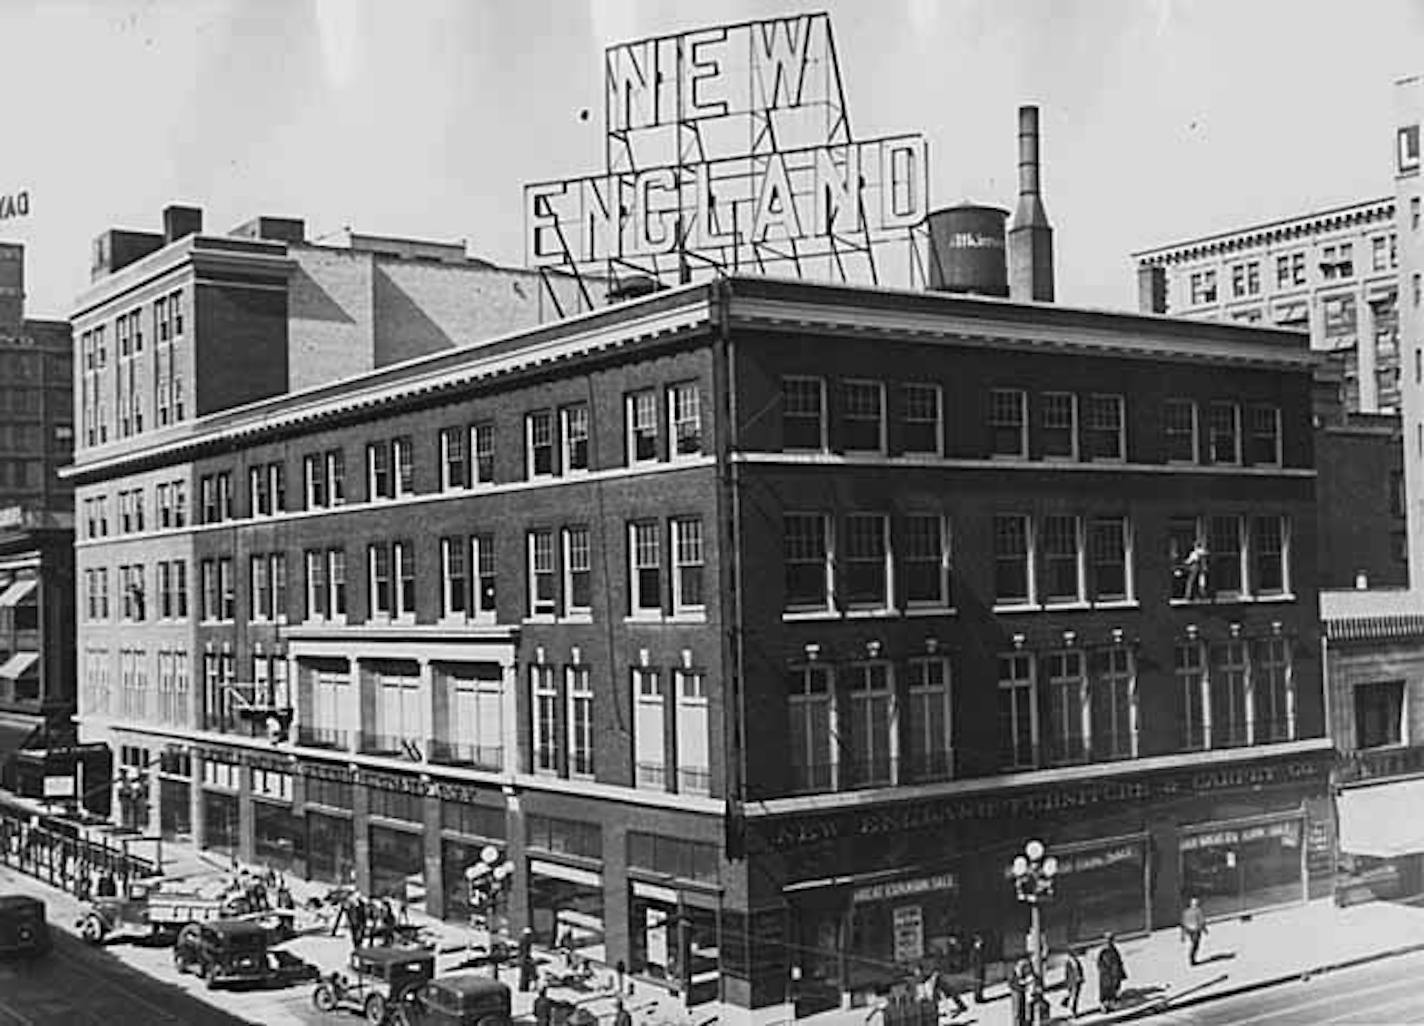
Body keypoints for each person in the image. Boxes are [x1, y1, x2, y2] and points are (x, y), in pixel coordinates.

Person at [1097, 933, 1126, 1011]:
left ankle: (1112, 1004)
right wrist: (1105, 972)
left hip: (1115, 975)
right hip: (1107, 976)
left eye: (1111, 940)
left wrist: (1121, 972)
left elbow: (1119, 962)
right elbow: (1100, 964)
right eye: (1107, 940)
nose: (1109, 942)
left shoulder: (1114, 949)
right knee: (1106, 991)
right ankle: (1105, 1005)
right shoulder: (1103, 951)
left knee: (1115, 989)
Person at [1181, 896, 1208, 966]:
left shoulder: (1186, 912)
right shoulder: (1198, 911)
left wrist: (1183, 935)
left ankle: (1191, 957)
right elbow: (1201, 921)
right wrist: (1205, 929)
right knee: (1195, 944)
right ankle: (1192, 958)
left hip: (1189, 930)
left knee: (1194, 943)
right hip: (1196, 930)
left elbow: (1183, 923)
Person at [1061, 948, 1085, 1018]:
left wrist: (1081, 977)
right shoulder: (1069, 963)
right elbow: (1067, 974)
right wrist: (1068, 983)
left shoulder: (1076, 961)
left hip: (1078, 981)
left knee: (1075, 997)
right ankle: (1073, 1012)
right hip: (1073, 982)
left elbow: (1080, 970)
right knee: (1073, 997)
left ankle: (1072, 1009)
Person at [969, 933, 988, 1003]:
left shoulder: (981, 950)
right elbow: (972, 960)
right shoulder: (974, 951)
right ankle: (977, 998)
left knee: (981, 983)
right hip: (977, 969)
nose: (981, 943)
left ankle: (980, 996)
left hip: (981, 968)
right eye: (979, 942)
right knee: (978, 983)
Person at [518, 927, 537, 993]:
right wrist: (528, 958)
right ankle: (524, 988)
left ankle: (523, 988)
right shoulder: (525, 941)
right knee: (525, 974)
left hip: (523, 958)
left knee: (524, 974)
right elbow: (525, 951)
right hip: (524, 958)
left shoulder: (522, 940)